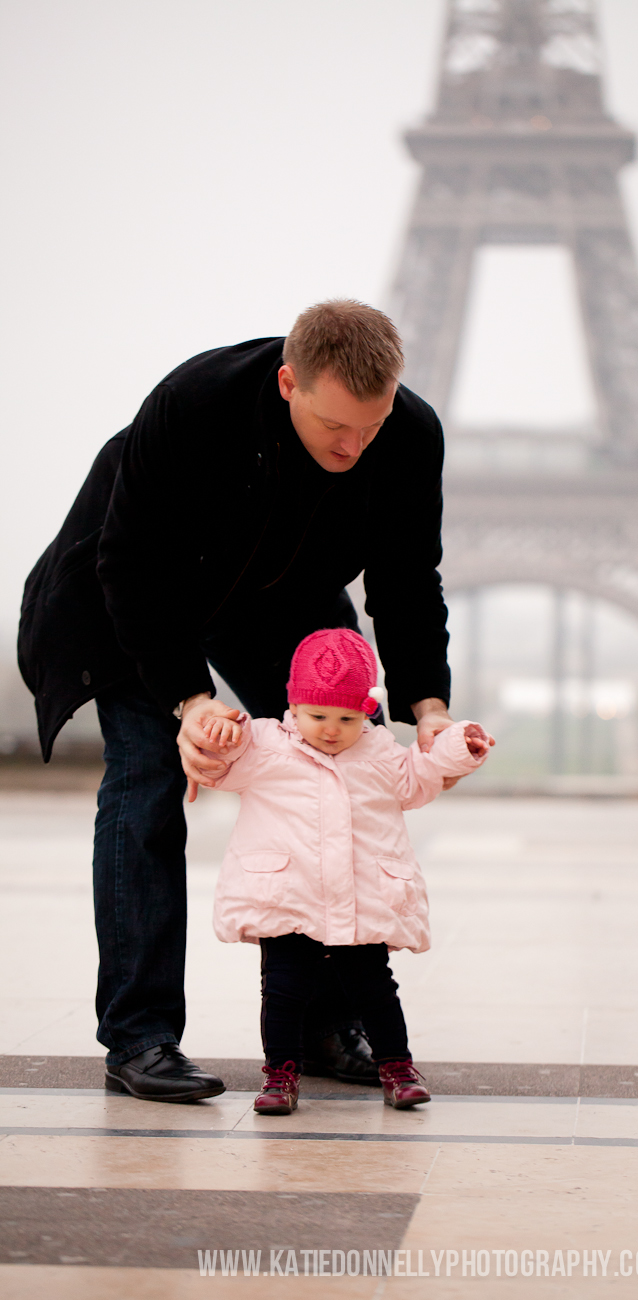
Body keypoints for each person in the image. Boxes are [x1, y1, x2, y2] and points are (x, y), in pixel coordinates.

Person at [18, 300, 461, 1102]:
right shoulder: (194, 403)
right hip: (132, 596)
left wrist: (428, 710)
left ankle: (325, 1026)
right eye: (334, 426)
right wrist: (190, 701)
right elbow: (131, 565)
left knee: (336, 777)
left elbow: (405, 581)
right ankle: (140, 1037)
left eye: (372, 424)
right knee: (148, 779)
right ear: (289, 382)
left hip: (282, 601)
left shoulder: (409, 434)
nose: (353, 447)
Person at [201, 628, 491, 1114]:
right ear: (292, 707)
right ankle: (280, 1074)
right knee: (282, 991)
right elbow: (223, 764)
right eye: (317, 716)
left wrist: (460, 745)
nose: (331, 729)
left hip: (361, 898)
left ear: (368, 712)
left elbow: (420, 775)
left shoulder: (379, 753)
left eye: (347, 717)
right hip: (286, 896)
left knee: (374, 990)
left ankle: (397, 1067)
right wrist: (221, 736)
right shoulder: (264, 745)